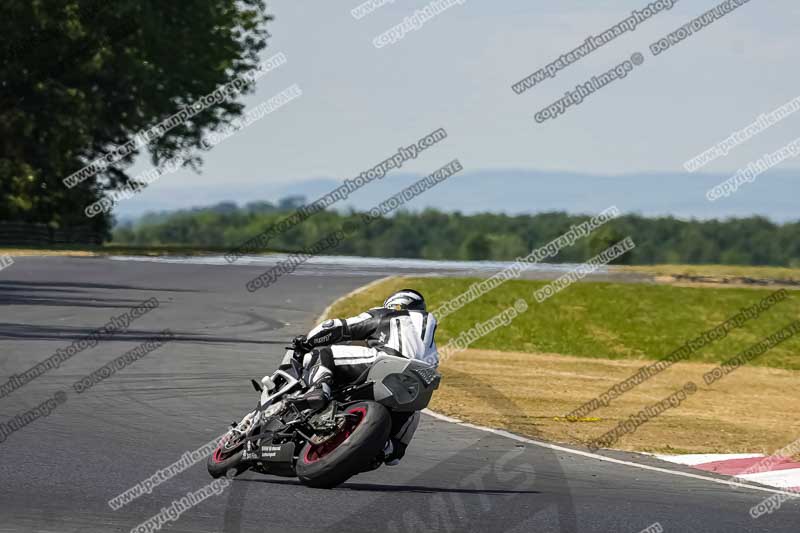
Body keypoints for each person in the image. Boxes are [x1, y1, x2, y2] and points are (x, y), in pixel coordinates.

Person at [285, 289, 438, 466]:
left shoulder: (389, 313)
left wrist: (306, 341)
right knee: (414, 411)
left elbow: (338, 327)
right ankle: (390, 448)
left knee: (323, 354)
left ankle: (320, 390)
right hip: (417, 382)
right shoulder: (430, 338)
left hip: (386, 361)